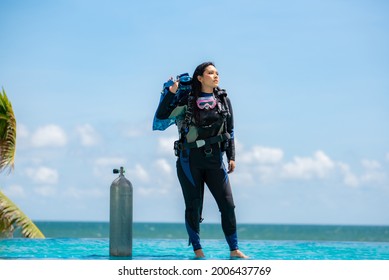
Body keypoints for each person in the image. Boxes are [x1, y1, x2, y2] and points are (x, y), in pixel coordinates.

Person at [154, 62, 247, 259]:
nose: (216, 76)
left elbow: (230, 130)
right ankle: (198, 251)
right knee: (194, 205)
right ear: (200, 77)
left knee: (228, 204)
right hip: (189, 160)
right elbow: (162, 114)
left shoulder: (223, 99)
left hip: (214, 159)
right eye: (210, 73)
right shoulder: (187, 100)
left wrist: (231, 156)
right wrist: (171, 92)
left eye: (217, 73)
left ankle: (234, 250)